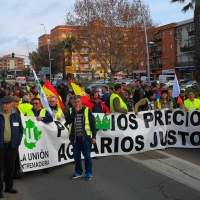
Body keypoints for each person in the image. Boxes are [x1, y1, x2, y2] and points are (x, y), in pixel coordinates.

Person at [65, 95, 96, 180]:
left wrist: (94, 136)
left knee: (87, 156)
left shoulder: (87, 110)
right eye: (75, 102)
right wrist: (75, 112)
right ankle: (78, 171)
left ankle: (88, 172)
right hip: (75, 138)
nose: (77, 103)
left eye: (78, 101)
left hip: (85, 138)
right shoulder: (71, 110)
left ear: (81, 101)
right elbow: (68, 121)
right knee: (76, 156)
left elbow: (93, 123)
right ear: (72, 103)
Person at [0, 96, 23, 197]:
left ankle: (9, 187)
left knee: (10, 167)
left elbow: (20, 130)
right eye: (3, 104)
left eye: (7, 104)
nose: (5, 106)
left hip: (12, 146)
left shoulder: (16, 115)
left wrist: (17, 142)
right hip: (0, 146)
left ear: (11, 104)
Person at [25, 98, 53, 174]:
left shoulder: (44, 111)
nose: (34, 105)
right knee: (32, 152)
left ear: (40, 104)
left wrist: (42, 118)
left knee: (43, 151)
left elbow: (50, 119)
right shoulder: (28, 112)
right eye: (33, 103)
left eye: (36, 103)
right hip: (32, 135)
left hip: (42, 135)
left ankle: (45, 167)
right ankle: (30, 168)